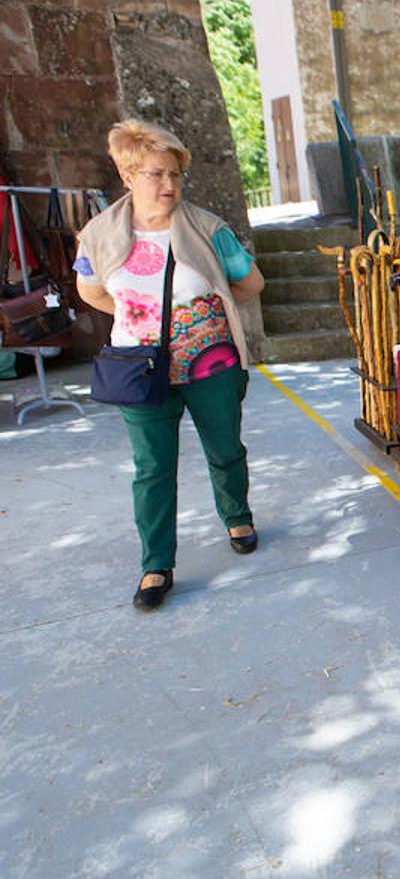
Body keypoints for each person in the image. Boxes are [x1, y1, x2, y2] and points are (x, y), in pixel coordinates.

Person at [74, 119, 265, 612]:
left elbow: (249, 284)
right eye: (157, 174)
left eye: (176, 174)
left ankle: (237, 514)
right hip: (139, 370)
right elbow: (89, 291)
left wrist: (195, 318)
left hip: (213, 364)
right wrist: (143, 319)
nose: (169, 185)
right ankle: (156, 563)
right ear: (127, 174)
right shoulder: (98, 235)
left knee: (224, 448)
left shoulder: (207, 228)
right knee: (152, 468)